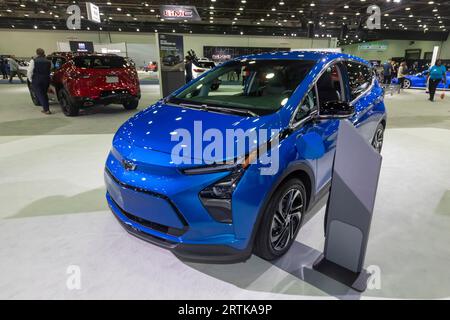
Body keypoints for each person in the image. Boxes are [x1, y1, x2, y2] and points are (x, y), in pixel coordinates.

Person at [27, 48, 52, 114]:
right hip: (46, 79)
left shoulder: (34, 61)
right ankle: (46, 108)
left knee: (40, 94)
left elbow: (30, 71)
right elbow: (50, 70)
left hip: (37, 79)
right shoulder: (48, 61)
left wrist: (30, 79)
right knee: (44, 94)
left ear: (37, 53)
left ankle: (46, 110)